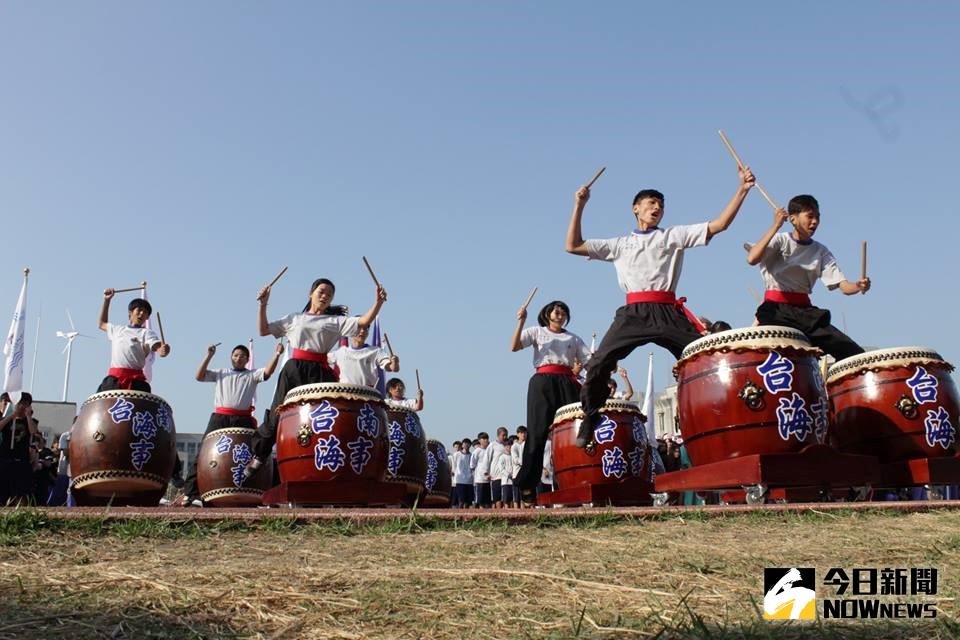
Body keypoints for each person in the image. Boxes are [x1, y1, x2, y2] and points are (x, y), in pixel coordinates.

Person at [565, 165, 756, 447]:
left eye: (661, 205)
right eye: (651, 203)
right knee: (598, 363)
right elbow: (572, 245)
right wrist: (579, 205)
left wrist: (742, 189)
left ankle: (730, 413)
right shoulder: (620, 244)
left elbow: (719, 225)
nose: (657, 208)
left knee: (708, 357)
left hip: (668, 312)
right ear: (635, 209)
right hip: (633, 314)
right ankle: (591, 414)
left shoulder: (672, 236)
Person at [245, 277, 386, 481]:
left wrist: (378, 302)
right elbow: (263, 330)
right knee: (279, 411)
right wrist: (263, 304)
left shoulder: (335, 321)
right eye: (321, 291)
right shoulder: (295, 319)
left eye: (329, 294)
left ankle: (328, 462)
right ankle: (260, 454)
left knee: (328, 416)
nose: (325, 296)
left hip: (321, 371)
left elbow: (363, 322)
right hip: (295, 369)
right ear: (310, 293)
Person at [746, 195, 871, 359]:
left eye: (817, 217)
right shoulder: (780, 240)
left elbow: (844, 287)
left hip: (805, 313)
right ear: (793, 219)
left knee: (853, 353)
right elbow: (752, 258)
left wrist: (858, 286)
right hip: (776, 311)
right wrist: (775, 225)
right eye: (810, 216)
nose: (815, 222)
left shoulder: (821, 251)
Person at [177, 342, 283, 505]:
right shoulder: (221, 373)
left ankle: (262, 492)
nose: (238, 358)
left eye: (242, 356)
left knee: (257, 451)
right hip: (220, 418)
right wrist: (209, 355)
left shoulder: (252, 374)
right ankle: (190, 493)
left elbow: (268, 373)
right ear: (231, 358)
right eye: (235, 355)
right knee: (203, 454)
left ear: (247, 359)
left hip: (243, 419)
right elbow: (199, 376)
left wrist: (277, 354)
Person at [511, 300, 590, 505]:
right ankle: (528, 485)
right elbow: (514, 346)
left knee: (572, 432)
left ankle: (573, 482)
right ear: (547, 314)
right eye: (556, 312)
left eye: (563, 313)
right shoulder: (536, 331)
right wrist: (521, 321)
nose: (560, 315)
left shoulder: (573, 338)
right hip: (542, 382)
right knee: (537, 433)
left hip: (567, 383)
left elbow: (590, 362)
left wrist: (607, 366)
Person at [96, 290, 170, 392]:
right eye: (139, 310)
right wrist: (106, 300)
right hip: (114, 380)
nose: (142, 313)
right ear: (130, 313)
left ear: (147, 317)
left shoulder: (147, 333)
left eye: (145, 312)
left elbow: (158, 347)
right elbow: (102, 323)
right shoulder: (117, 330)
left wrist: (163, 350)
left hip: (136, 382)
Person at [329, 324, 400, 388]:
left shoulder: (376, 351)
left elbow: (392, 368)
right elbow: (323, 360)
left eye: (365, 329)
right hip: (345, 394)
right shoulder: (340, 352)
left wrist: (395, 362)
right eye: (359, 328)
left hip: (366, 394)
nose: (362, 331)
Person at [0, 393, 36, 506]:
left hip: (22, 461)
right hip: (5, 459)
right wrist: (12, 415)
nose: (21, 406)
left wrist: (28, 416)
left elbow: (33, 432)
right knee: (3, 491)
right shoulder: (7, 420)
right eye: (19, 403)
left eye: (25, 404)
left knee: (21, 493)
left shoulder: (30, 421)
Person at [488, 427, 508, 508]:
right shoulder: (492, 445)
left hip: (506, 476)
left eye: (506, 435)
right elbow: (487, 459)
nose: (505, 437)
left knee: (506, 497)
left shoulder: (508, 445)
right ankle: (498, 513)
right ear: (498, 435)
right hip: (496, 476)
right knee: (497, 497)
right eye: (503, 435)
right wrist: (486, 473)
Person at [470, 432, 492, 508]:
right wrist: (479, 472)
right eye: (484, 438)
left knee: (488, 501)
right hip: (480, 479)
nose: (486, 440)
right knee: (480, 501)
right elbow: (472, 465)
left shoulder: (489, 450)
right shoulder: (477, 451)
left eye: (487, 438)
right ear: (479, 440)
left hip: (489, 479)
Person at [452, 438, 473, 508]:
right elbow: (454, 466)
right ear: (462, 445)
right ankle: (459, 513)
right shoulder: (456, 454)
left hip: (469, 481)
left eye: (468, 444)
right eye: (465, 443)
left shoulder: (472, 455)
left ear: (470, 445)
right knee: (461, 500)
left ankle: (466, 513)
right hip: (460, 480)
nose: (466, 445)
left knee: (468, 502)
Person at [495, 440, 514, 508]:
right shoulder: (502, 457)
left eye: (510, 446)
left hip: (513, 481)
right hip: (506, 481)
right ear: (505, 447)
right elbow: (501, 468)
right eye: (508, 446)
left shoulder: (513, 456)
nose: (509, 448)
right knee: (506, 500)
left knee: (512, 500)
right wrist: (508, 474)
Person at [510, 427, 526, 507]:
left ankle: (524, 512)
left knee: (524, 497)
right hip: (516, 474)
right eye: (521, 433)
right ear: (518, 434)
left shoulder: (527, 445)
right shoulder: (514, 446)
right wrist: (525, 463)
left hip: (525, 474)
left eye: (525, 432)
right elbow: (515, 459)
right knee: (516, 497)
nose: (523, 434)